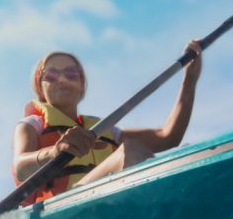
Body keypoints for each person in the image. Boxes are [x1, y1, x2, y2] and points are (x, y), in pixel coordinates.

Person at [12, 41, 203, 206]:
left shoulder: (105, 130)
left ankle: (172, 203)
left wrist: (190, 79)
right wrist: (54, 152)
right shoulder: (32, 124)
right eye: (51, 75)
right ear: (40, 86)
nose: (62, 79)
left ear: (81, 86)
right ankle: (171, 204)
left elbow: (168, 137)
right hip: (60, 210)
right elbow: (21, 168)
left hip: (102, 200)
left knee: (175, 154)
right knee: (131, 150)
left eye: (71, 73)